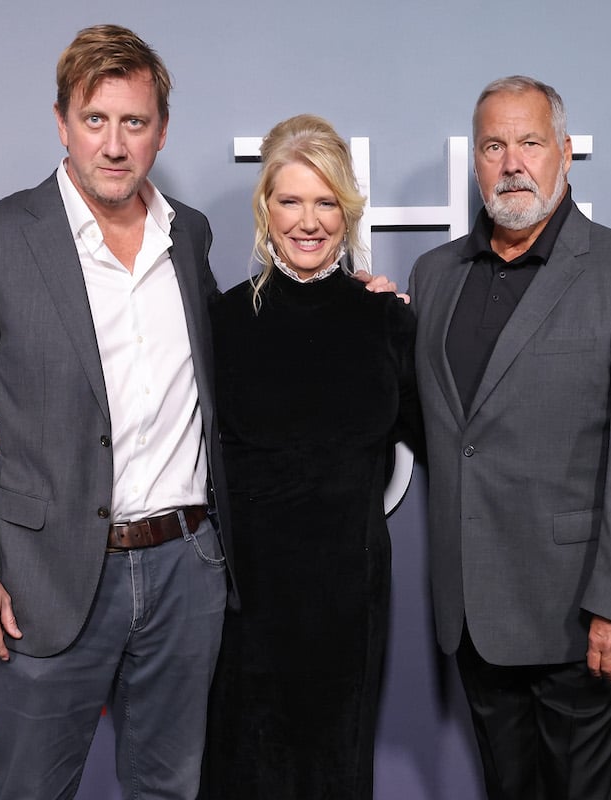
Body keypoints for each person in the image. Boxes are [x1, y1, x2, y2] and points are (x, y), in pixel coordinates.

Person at [0, 25, 236, 798]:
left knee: (170, 788)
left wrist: (355, 298)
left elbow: (234, 365)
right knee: (32, 789)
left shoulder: (187, 236)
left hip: (187, 568)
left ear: (160, 132)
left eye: (134, 122)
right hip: (43, 579)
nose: (115, 145)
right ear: (62, 123)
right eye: (96, 120)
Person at [407, 76, 611, 800]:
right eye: (494, 145)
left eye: (529, 143)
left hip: (580, 621)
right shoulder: (435, 275)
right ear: (473, 160)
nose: (512, 163)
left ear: (564, 154)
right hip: (473, 616)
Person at [198, 114, 420, 800]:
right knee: (241, 769)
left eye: (326, 202)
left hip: (346, 594)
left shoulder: (386, 319)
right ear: (266, 206)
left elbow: (456, 435)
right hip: (242, 593)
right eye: (291, 200)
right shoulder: (223, 321)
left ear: (348, 212)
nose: (309, 220)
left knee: (333, 770)